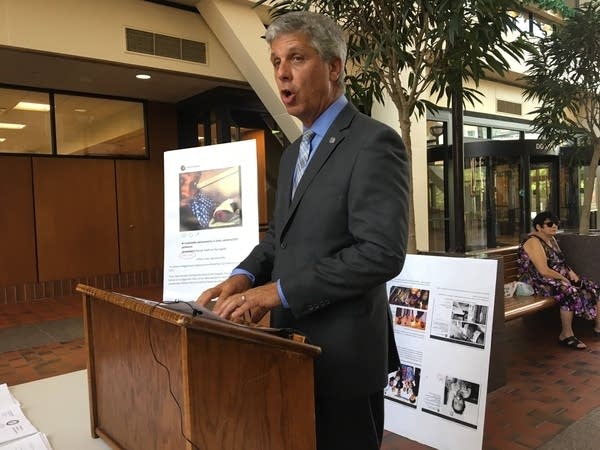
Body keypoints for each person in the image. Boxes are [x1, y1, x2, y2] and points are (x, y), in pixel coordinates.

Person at [196, 10, 409, 450]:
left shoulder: (374, 142)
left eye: (296, 58)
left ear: (334, 67)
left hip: (346, 359)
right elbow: (279, 238)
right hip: (291, 346)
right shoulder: (294, 153)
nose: (282, 73)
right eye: (276, 61)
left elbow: (381, 253)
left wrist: (275, 293)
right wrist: (245, 277)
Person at [518, 211, 600, 350]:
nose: (554, 226)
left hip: (554, 278)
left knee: (593, 286)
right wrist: (564, 278)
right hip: (537, 282)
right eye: (550, 224)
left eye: (556, 223)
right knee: (569, 292)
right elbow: (543, 270)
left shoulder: (552, 240)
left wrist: (570, 272)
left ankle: (599, 327)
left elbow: (560, 261)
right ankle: (566, 335)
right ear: (538, 227)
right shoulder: (533, 241)